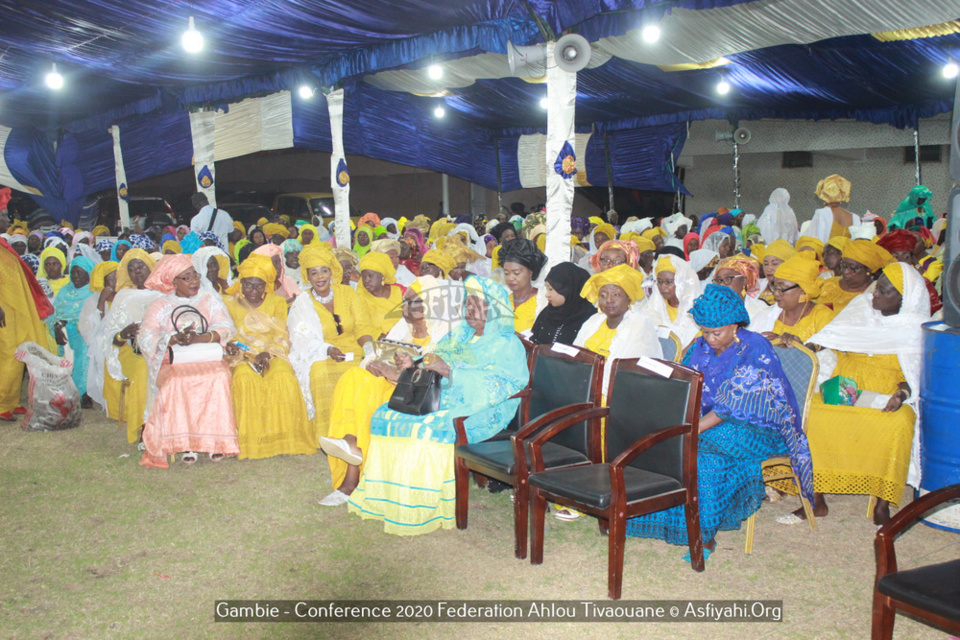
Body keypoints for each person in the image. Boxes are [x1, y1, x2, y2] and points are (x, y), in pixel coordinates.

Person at [625, 284, 813, 559]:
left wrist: (688, 430)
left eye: (717, 332)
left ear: (735, 324)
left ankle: (703, 535)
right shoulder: (700, 346)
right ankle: (655, 521)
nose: (710, 339)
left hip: (759, 427)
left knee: (700, 456)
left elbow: (733, 405)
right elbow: (683, 381)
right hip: (708, 422)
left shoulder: (754, 347)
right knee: (660, 443)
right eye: (705, 331)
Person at [346, 276, 528, 535]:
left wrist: (453, 373)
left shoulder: (507, 343)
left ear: (496, 309)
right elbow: (432, 357)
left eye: (480, 305)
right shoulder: (460, 334)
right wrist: (413, 364)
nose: (471, 310)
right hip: (443, 397)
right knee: (386, 414)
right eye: (468, 304)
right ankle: (389, 500)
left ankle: (419, 508)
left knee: (425, 425)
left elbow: (503, 384)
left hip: (483, 408)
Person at [802, 262, 930, 525]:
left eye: (884, 292)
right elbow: (830, 337)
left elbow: (917, 375)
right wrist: (806, 346)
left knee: (899, 422)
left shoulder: (915, 329)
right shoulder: (861, 308)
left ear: (904, 300)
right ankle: (817, 498)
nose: (874, 295)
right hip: (844, 385)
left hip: (885, 394)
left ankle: (882, 502)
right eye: (876, 288)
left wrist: (902, 394)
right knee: (813, 414)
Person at [317, 276, 454, 506]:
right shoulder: (404, 329)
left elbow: (437, 376)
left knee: (369, 395)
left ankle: (351, 480)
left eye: (414, 302)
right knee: (353, 376)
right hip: (392, 385)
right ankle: (351, 444)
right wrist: (373, 363)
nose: (406, 308)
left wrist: (394, 374)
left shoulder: (443, 334)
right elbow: (379, 354)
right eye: (405, 302)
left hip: (417, 395)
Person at [137, 255, 237, 467]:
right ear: (174, 283)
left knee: (220, 375)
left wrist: (201, 337)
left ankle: (215, 442)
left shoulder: (209, 299)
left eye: (195, 276)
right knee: (177, 381)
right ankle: (186, 443)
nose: (194, 282)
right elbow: (146, 336)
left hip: (207, 357)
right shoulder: (160, 305)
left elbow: (226, 326)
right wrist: (173, 339)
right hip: (172, 361)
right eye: (186, 278)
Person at [223, 254, 314, 460]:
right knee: (244, 379)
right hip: (242, 354)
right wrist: (248, 354)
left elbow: (282, 334)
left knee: (282, 377)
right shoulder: (229, 303)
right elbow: (229, 335)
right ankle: (252, 442)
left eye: (259, 286)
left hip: (272, 352)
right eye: (248, 285)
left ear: (267, 285)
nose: (253, 291)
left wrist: (268, 353)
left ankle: (285, 438)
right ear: (240, 283)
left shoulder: (277, 302)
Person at [288, 246, 377, 442]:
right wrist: (326, 349)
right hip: (321, 353)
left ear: (332, 272)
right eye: (314, 272)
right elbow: (301, 338)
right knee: (320, 374)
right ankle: (328, 436)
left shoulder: (348, 293)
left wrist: (369, 352)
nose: (320, 276)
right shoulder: (303, 303)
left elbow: (363, 327)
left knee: (364, 372)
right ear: (307, 276)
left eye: (324, 270)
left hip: (354, 349)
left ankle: (359, 434)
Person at [575, 264, 661, 397]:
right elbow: (575, 356)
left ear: (628, 297)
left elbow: (630, 379)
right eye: (603, 295)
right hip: (583, 388)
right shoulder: (593, 321)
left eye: (616, 294)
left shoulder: (640, 326)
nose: (609, 300)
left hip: (617, 398)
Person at [0, 208, 54, 421]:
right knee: (5, 354)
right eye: (3, 216)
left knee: (17, 354)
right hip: (4, 312)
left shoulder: (4, 246)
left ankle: (10, 402)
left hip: (17, 310)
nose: (7, 219)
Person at [102, 249, 161, 442]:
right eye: (132, 269)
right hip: (131, 352)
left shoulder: (164, 293)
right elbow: (112, 339)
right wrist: (122, 333)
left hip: (161, 349)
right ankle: (146, 425)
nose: (137, 272)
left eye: (141, 266)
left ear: (150, 266)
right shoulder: (124, 297)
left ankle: (171, 424)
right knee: (144, 369)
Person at [47, 256, 96, 407]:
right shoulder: (65, 290)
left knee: (83, 350)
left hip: (87, 334)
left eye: (80, 273)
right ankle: (64, 391)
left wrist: (74, 326)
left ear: (89, 273)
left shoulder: (93, 293)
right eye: (73, 272)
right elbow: (55, 314)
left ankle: (82, 392)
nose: (75, 276)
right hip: (65, 333)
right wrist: (57, 325)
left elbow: (93, 319)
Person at [754, 255, 836, 345]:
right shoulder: (768, 314)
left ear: (803, 290)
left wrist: (797, 347)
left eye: (782, 288)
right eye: (775, 287)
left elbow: (829, 354)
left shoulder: (823, 317)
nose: (776, 293)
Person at [78, 261, 119, 412]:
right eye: (111, 277)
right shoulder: (93, 300)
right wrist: (102, 301)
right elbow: (90, 329)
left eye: (118, 276)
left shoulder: (125, 297)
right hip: (102, 343)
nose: (115, 281)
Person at [815, 239, 894, 313]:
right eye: (843, 265)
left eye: (853, 268)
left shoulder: (874, 293)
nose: (845, 272)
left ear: (869, 269)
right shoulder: (828, 283)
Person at [530, 263, 596, 346]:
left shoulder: (589, 318)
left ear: (568, 289)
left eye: (551, 289)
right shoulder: (548, 312)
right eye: (547, 288)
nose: (547, 294)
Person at [641, 255, 700, 346]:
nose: (663, 287)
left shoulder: (697, 311)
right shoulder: (652, 308)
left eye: (669, 282)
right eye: (659, 281)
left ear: (681, 282)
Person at [498, 238, 547, 333]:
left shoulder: (542, 302)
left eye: (516, 273)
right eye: (506, 273)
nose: (510, 278)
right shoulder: (503, 299)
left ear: (530, 272)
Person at [357, 250, 404, 338]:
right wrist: (382, 337)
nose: (366, 280)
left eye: (370, 276)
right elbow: (361, 327)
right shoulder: (360, 299)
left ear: (382, 276)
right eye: (363, 277)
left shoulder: (400, 291)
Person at [808, 174, 860, 242]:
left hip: (827, 251)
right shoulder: (854, 217)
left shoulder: (821, 213)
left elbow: (811, 239)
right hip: (848, 252)